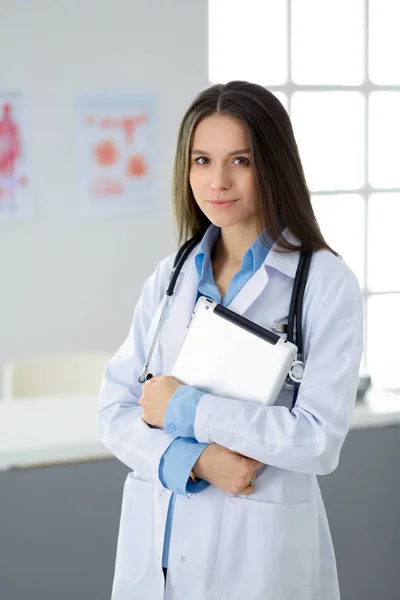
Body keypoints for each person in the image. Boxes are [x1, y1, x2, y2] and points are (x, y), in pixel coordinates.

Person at [97, 80, 364, 600]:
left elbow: (317, 440)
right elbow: (115, 410)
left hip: (259, 561)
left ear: (273, 164)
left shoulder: (325, 283)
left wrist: (186, 407)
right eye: (202, 160)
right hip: (159, 554)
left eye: (239, 160)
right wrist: (195, 461)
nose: (217, 181)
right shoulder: (170, 276)